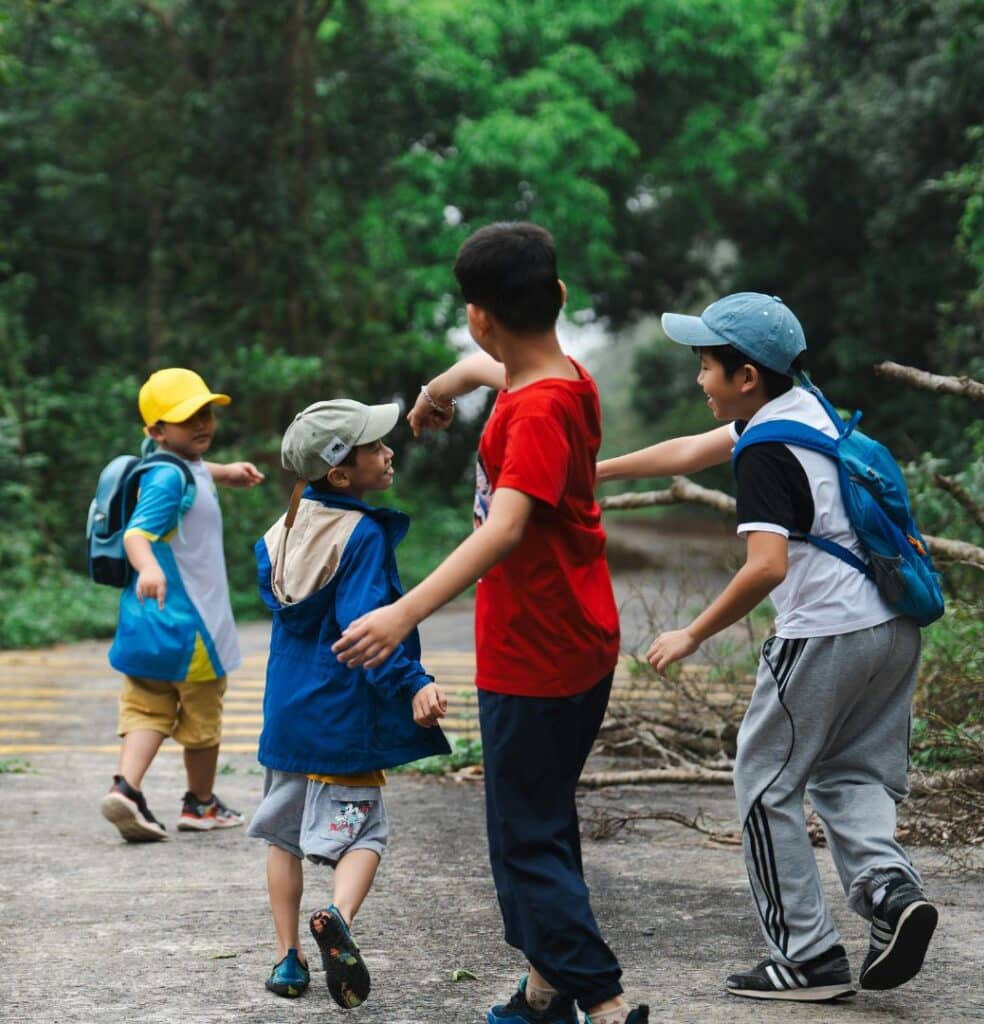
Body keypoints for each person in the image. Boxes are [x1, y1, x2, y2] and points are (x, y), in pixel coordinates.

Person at [333, 222, 649, 1024]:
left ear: (479, 315)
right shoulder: (563, 378)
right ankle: (543, 996)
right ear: (558, 297)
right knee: (542, 819)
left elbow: (504, 529)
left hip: (537, 653)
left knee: (524, 842)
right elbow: (483, 369)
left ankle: (606, 1003)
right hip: (577, 637)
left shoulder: (535, 411)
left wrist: (403, 611)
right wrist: (435, 394)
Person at [597, 292, 938, 1002]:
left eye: (706, 366)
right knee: (850, 775)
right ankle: (890, 892)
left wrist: (692, 632)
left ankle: (806, 957)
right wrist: (593, 472)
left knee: (764, 784)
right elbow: (688, 450)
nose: (699, 379)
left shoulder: (762, 452)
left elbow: (766, 567)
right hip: (892, 627)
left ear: (746, 375)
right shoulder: (806, 411)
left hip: (823, 634)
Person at [246, 397, 451, 1007]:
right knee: (366, 834)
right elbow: (365, 629)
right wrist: (413, 682)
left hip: (287, 718)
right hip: (342, 719)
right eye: (375, 447)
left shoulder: (278, 535)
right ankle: (337, 916)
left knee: (283, 837)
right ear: (340, 474)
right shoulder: (362, 533)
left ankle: (288, 959)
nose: (388, 453)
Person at [100, 367, 264, 842]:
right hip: (191, 627)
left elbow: (195, 471)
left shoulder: (168, 465)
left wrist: (228, 473)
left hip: (145, 623)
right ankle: (201, 803)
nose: (202, 424)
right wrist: (149, 567)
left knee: (147, 707)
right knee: (202, 718)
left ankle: (126, 789)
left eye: (205, 413)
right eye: (187, 418)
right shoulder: (168, 481)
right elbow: (137, 534)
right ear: (156, 431)